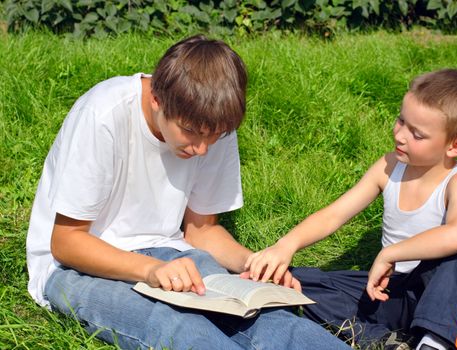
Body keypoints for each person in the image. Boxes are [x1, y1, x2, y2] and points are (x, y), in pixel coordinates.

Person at [26, 34, 351, 350]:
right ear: (156, 98)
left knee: (267, 319)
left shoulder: (212, 125)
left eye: (214, 136)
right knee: (181, 329)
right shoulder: (103, 115)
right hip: (73, 266)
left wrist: (251, 265)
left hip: (171, 253)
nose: (201, 148)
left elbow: (201, 230)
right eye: (191, 132)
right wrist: (150, 270)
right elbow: (66, 243)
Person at [244, 69, 457, 350]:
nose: (400, 135)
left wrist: (390, 253)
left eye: (417, 134)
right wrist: (286, 245)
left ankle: (435, 343)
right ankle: (385, 340)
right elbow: (334, 215)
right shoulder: (389, 166)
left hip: (445, 300)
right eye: (401, 120)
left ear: (455, 146)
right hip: (388, 289)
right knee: (296, 281)